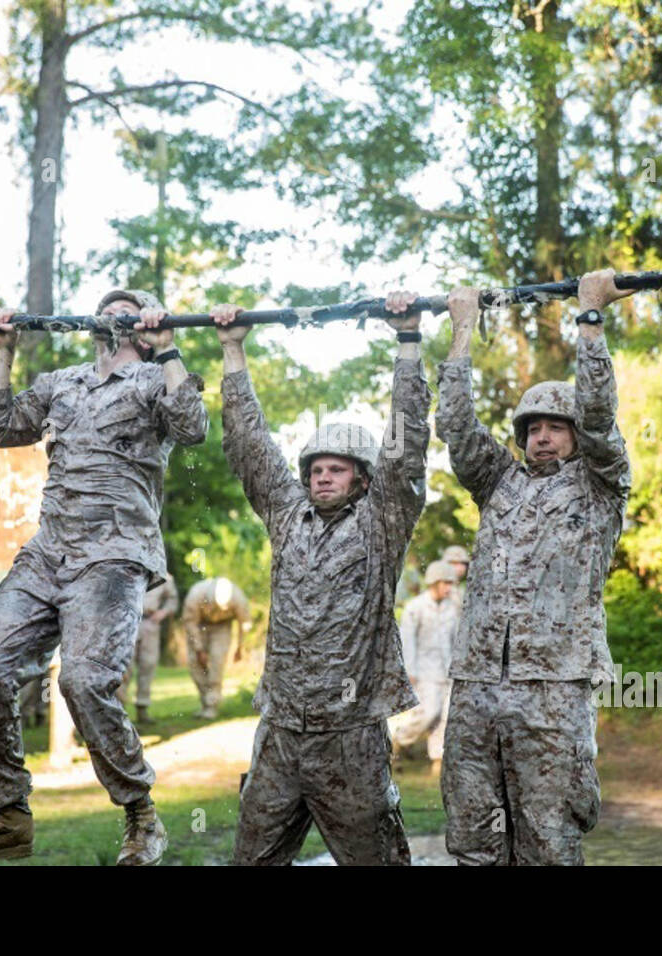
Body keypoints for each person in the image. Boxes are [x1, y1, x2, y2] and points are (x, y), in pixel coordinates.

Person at [0, 289, 207, 867]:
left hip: (113, 554)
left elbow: (192, 428)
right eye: (106, 304)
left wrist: (168, 348)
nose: (112, 309)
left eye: (128, 305)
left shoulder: (156, 379)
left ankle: (140, 813)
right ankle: (9, 814)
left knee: (84, 682)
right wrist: (2, 351)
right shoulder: (63, 381)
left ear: (141, 325)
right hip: (50, 551)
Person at [213, 289, 429, 866]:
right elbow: (250, 446)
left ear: (361, 479)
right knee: (251, 860)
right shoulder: (288, 516)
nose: (322, 477)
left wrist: (407, 343)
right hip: (281, 732)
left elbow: (405, 448)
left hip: (350, 736)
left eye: (337, 469)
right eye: (315, 469)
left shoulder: (382, 522)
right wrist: (233, 351)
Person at [436, 271, 633, 866]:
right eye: (533, 429)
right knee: (473, 832)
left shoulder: (601, 484)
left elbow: (599, 418)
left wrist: (591, 318)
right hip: (476, 683)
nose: (543, 438)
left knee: (548, 836)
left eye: (556, 427)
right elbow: (457, 428)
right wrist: (463, 331)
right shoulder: (500, 483)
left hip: (553, 687)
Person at [389, 560, 460, 776]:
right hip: (423, 670)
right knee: (430, 714)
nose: (449, 587)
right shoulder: (415, 607)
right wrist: (409, 670)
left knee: (445, 717)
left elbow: (455, 640)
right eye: (445, 583)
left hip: (446, 670)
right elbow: (407, 640)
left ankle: (438, 760)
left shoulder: (452, 609)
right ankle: (399, 740)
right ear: (434, 582)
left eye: (451, 583)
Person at [181, 576, 249, 720]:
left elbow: (245, 623)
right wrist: (199, 649)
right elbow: (190, 623)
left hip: (222, 628)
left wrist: (240, 646)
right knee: (195, 664)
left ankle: (212, 706)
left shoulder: (238, 597)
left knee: (217, 662)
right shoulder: (196, 594)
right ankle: (205, 702)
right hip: (199, 625)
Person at [124, 572, 179, 725]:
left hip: (150, 622)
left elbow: (172, 600)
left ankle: (142, 708)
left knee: (148, 665)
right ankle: (119, 709)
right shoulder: (129, 568)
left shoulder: (165, 577)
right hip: (127, 621)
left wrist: (163, 612)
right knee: (124, 666)